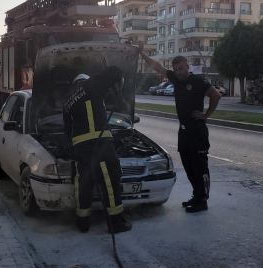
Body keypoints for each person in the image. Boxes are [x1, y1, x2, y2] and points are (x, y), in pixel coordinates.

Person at [137, 41, 221, 213]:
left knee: (200, 166)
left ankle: (202, 200)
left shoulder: (197, 81)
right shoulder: (175, 79)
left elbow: (216, 95)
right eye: (175, 70)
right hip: (183, 131)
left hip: (197, 131)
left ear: (187, 67)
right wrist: (141, 53)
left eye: (181, 68)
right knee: (188, 165)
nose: (178, 72)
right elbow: (157, 66)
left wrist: (206, 115)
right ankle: (196, 196)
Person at [63, 66, 132, 233]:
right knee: (109, 181)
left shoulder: (67, 101)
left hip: (80, 146)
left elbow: (67, 131)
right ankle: (116, 223)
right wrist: (119, 75)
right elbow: (115, 71)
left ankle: (83, 222)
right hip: (99, 143)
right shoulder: (89, 85)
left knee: (83, 182)